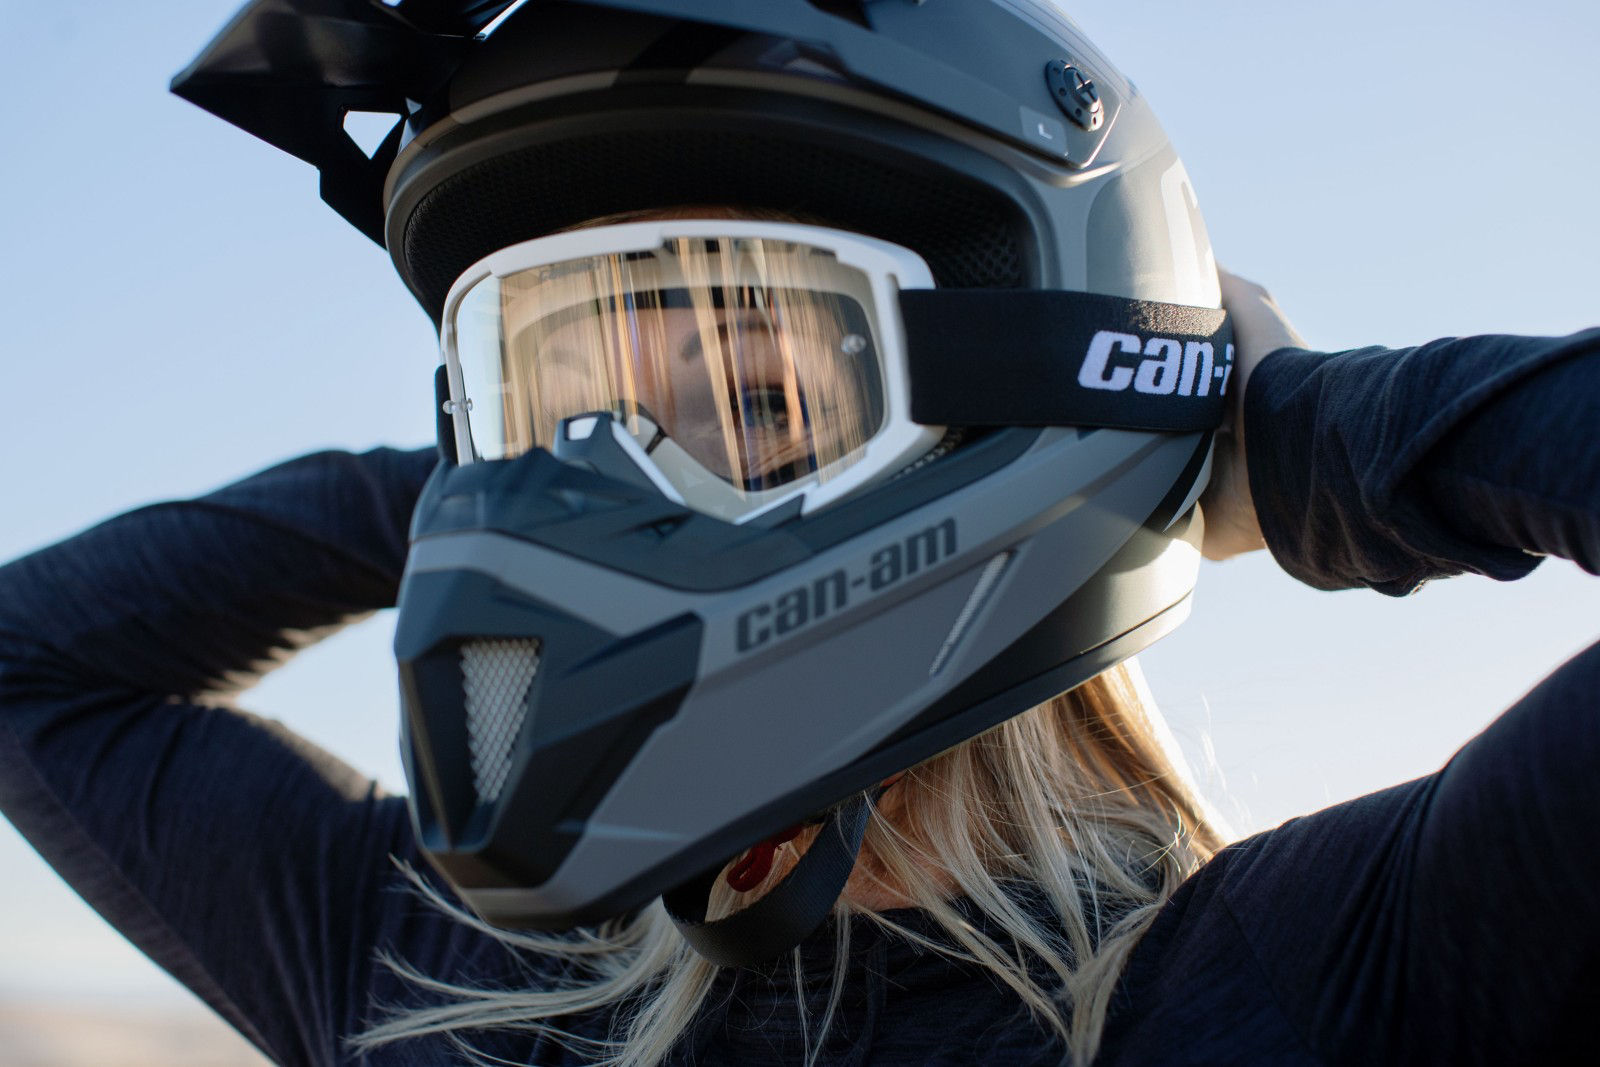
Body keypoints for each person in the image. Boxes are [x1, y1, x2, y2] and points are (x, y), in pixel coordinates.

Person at [2, 2, 1596, 1065]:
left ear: (1019, 411)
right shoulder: (447, 983)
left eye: (755, 398)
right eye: (553, 407)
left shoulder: (1318, 978)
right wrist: (467, 493)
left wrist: (1292, 434)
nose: (596, 484)